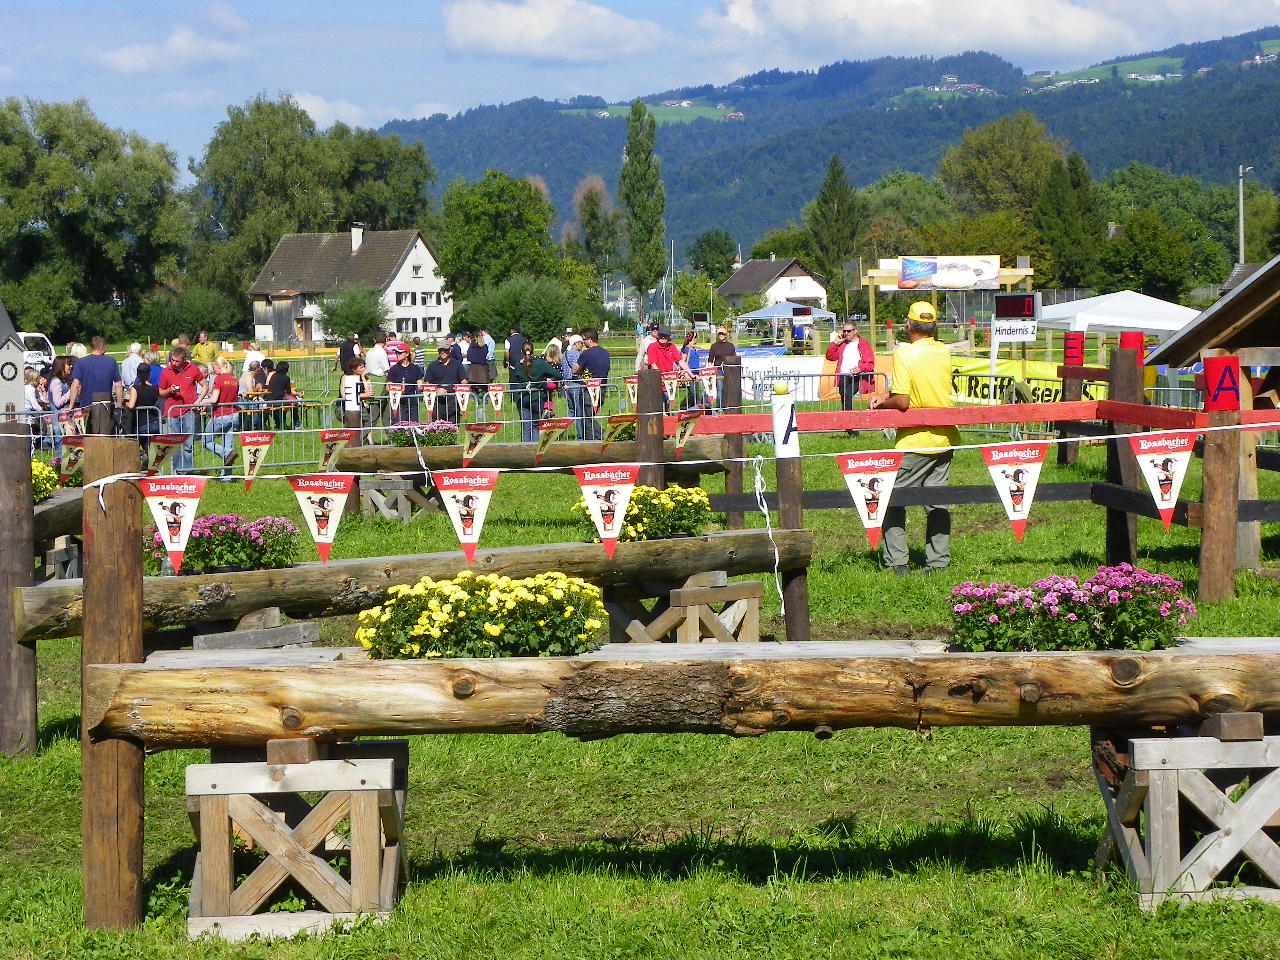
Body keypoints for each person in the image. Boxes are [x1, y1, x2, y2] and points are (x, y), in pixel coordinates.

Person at [868, 301, 959, 575]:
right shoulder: (943, 352)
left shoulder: (904, 353)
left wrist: (882, 404)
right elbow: (924, 387)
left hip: (915, 440)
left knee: (892, 500)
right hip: (945, 437)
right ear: (934, 326)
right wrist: (887, 396)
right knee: (937, 503)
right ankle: (938, 562)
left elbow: (904, 401)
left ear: (908, 326)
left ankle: (897, 563)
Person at [157, 346, 206, 474]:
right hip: (172, 411)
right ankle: (177, 472)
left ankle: (187, 472)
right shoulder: (166, 371)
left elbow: (205, 385)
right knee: (174, 445)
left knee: (188, 444)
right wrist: (170, 390)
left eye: (177, 361)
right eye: (172, 360)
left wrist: (198, 401)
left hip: (189, 411)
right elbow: (161, 392)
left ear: (184, 360)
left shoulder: (193, 369)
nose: (174, 363)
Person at [826, 319, 876, 434]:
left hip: (857, 377)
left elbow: (870, 363)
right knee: (844, 397)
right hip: (843, 376)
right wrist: (835, 343)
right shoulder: (842, 344)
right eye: (844, 331)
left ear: (855, 331)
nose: (846, 333)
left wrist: (860, 369)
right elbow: (830, 356)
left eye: (849, 331)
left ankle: (850, 426)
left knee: (848, 394)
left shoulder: (864, 344)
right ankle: (849, 425)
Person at [67, 336, 123, 428]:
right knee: (106, 433)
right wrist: (119, 404)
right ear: (102, 347)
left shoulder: (81, 362)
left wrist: (71, 405)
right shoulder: (111, 362)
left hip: (86, 406)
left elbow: (75, 385)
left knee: (87, 433)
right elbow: (118, 384)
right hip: (106, 406)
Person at [199, 357, 240, 476]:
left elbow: (214, 399)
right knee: (228, 444)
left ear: (218, 366)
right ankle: (227, 476)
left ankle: (227, 453)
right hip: (234, 414)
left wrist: (201, 402)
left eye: (214, 367)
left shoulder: (219, 379)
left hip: (221, 415)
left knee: (206, 441)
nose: (213, 370)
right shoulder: (234, 380)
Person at [509, 341, 557, 442]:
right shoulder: (540, 363)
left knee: (526, 427)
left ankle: (525, 449)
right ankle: (534, 448)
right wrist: (544, 381)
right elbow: (557, 375)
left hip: (523, 397)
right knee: (536, 426)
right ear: (533, 350)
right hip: (537, 397)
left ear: (521, 351)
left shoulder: (518, 365)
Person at [572, 327, 610, 441]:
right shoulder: (605, 353)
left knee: (586, 417)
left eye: (583, 340)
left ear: (590, 339)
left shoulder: (586, 354)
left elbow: (574, 370)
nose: (583, 343)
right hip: (602, 387)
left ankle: (598, 437)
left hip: (590, 389)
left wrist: (583, 373)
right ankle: (597, 437)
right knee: (589, 416)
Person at [127, 361, 161, 462]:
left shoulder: (135, 389)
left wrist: (125, 403)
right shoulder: (155, 389)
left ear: (138, 374)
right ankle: (149, 462)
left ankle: (143, 457)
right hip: (154, 423)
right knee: (150, 450)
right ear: (149, 374)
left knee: (131, 444)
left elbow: (131, 405)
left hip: (141, 424)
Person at [426, 345, 468, 424]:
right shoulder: (432, 365)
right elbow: (427, 383)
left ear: (450, 350)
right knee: (437, 427)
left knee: (453, 426)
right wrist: (436, 390)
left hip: (453, 399)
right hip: (437, 401)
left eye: (445, 350)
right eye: (440, 350)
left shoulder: (457, 364)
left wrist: (459, 389)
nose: (442, 352)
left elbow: (464, 381)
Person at [386, 342, 426, 423]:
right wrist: (397, 389)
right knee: (400, 426)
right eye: (396, 352)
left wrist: (423, 387)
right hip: (398, 403)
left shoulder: (415, 368)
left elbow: (420, 383)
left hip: (412, 403)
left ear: (407, 354)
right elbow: (388, 386)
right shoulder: (393, 369)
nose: (397, 354)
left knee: (414, 426)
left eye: (400, 352)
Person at [46, 356, 73, 461]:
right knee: (61, 451)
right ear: (61, 366)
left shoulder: (61, 381)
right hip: (59, 420)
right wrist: (70, 392)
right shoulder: (56, 382)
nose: (71, 366)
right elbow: (57, 403)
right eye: (68, 364)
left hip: (62, 420)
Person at [340, 356, 374, 431]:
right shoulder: (345, 377)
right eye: (361, 367)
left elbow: (369, 393)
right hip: (346, 407)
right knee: (354, 425)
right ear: (354, 369)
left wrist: (363, 378)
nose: (364, 369)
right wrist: (363, 396)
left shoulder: (366, 377)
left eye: (364, 367)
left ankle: (362, 438)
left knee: (368, 422)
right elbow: (344, 395)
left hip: (360, 405)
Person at [264, 359, 298, 429]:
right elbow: (288, 392)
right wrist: (297, 394)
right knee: (295, 402)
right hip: (279, 401)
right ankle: (296, 423)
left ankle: (282, 424)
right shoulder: (286, 378)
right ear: (286, 369)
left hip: (269, 400)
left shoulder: (273, 376)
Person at [465, 332, 492, 412]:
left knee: (473, 386)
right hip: (483, 367)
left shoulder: (472, 346)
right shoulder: (485, 346)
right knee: (484, 386)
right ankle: (485, 400)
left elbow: (469, 357)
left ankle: (475, 400)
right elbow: (485, 356)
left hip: (474, 368)